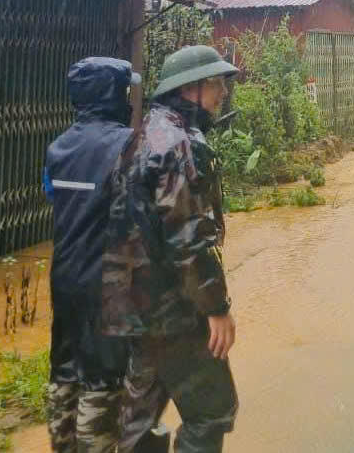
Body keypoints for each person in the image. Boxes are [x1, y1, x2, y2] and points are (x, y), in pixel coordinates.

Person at [102, 45, 241, 453]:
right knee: (211, 410)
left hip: (133, 307)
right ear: (190, 88)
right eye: (216, 84)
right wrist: (216, 308)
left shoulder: (144, 134)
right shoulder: (180, 145)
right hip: (173, 311)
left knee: (137, 421)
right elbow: (189, 238)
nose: (223, 93)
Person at [42, 57, 137, 453]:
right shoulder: (129, 145)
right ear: (112, 95)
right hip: (107, 286)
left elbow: (54, 194)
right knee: (103, 378)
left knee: (65, 371)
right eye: (125, 90)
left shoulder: (58, 148)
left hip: (64, 279)